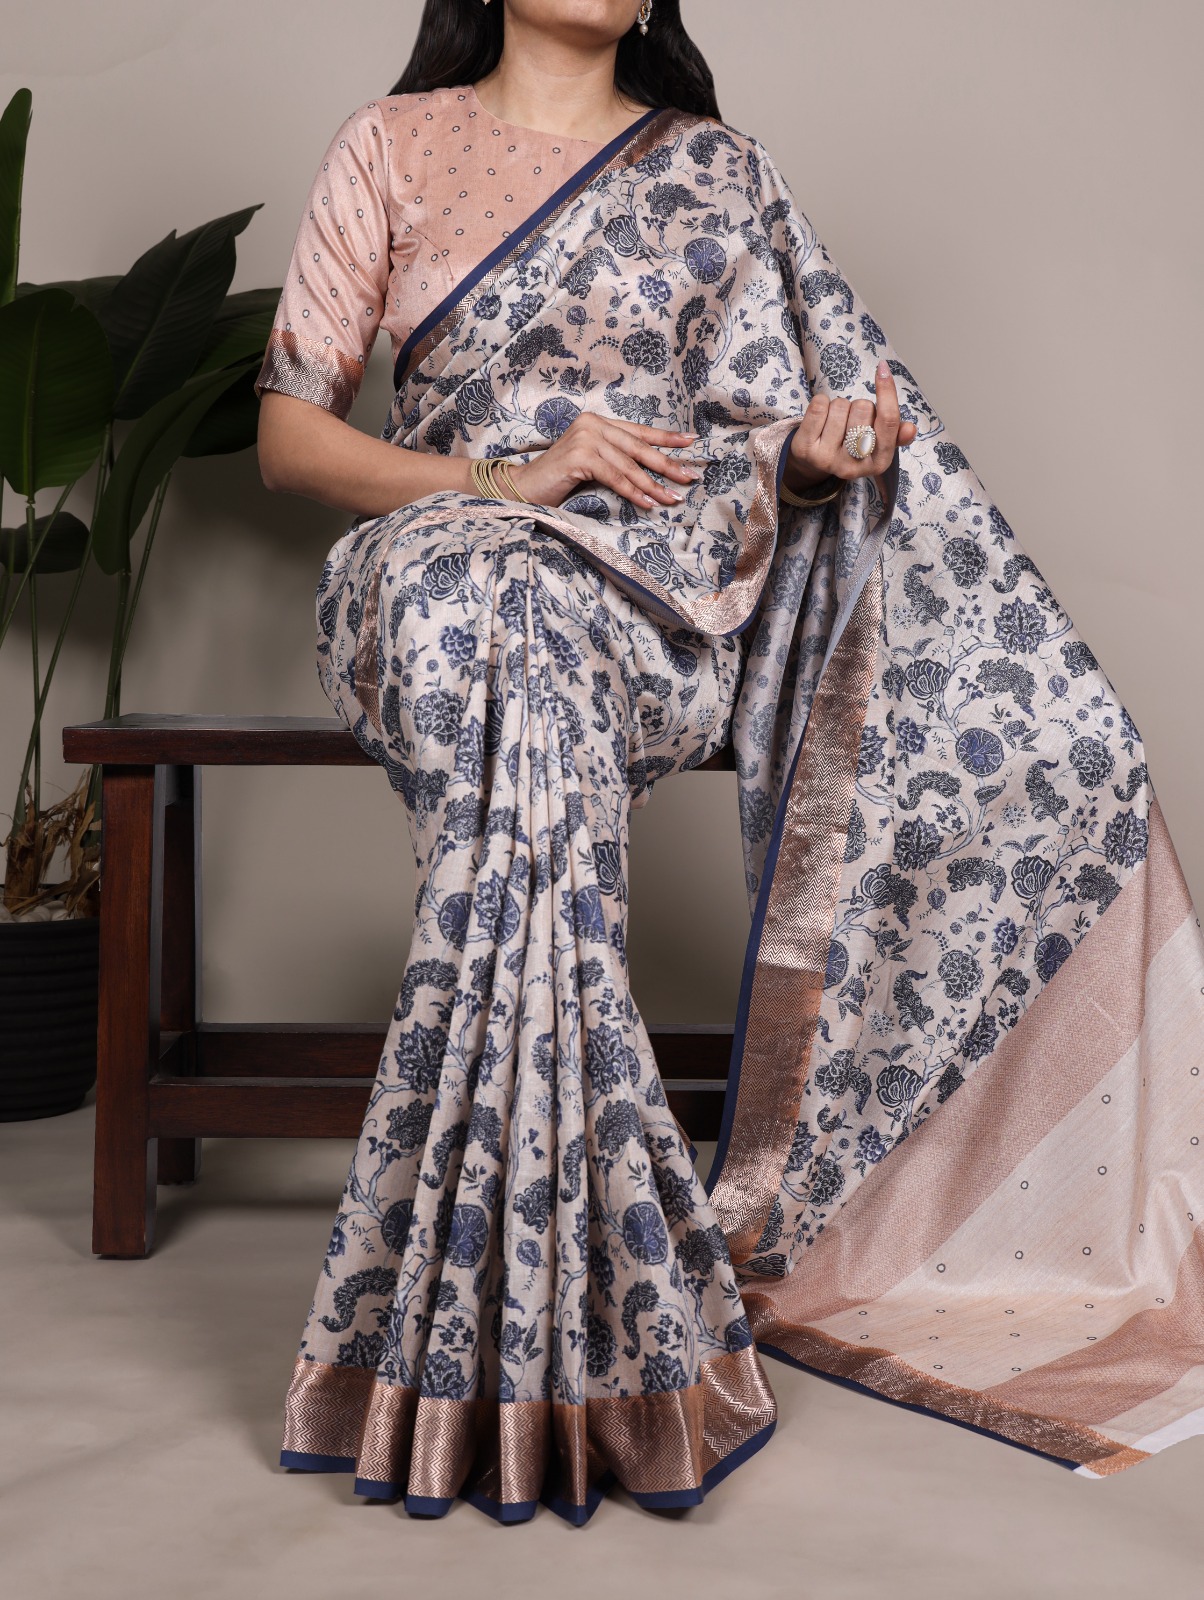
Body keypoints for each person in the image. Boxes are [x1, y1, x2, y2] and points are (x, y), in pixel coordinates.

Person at [255, 0, 1204, 1524]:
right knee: (494, 601)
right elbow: (292, 442)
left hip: (643, 604)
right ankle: (610, 1309)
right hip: (428, 577)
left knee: (538, 643)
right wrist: (508, 479)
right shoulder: (390, 147)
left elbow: (753, 442)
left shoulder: (716, 171)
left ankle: (460, 1338)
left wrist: (808, 457)